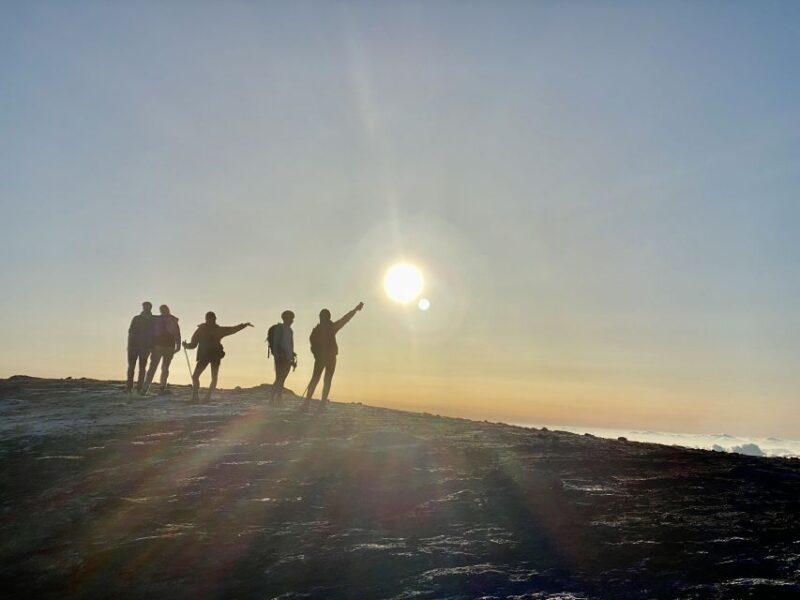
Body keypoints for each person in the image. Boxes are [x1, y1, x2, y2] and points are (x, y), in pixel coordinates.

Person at [301, 302, 364, 412]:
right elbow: (345, 320)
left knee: (318, 379)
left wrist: (354, 310)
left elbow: (345, 319)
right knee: (325, 380)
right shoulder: (329, 328)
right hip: (328, 358)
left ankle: (312, 403)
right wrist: (355, 310)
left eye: (321, 317)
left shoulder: (319, 330)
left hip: (324, 358)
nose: (320, 318)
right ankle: (318, 404)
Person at [182, 311, 253, 403]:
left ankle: (204, 398)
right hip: (208, 356)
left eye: (213, 319)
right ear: (208, 319)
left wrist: (243, 325)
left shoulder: (211, 330)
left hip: (213, 356)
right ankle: (197, 397)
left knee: (211, 377)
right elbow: (193, 345)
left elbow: (232, 330)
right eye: (211, 319)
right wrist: (186, 345)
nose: (212, 320)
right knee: (197, 376)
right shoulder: (204, 330)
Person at [143, 304, 181, 395]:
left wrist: (151, 346)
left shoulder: (158, 320)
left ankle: (146, 388)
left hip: (159, 346)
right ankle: (161, 387)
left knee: (154, 367)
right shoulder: (173, 320)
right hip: (168, 346)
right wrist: (178, 345)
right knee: (164, 367)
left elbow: (152, 333)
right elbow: (177, 333)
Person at [268, 310, 296, 406]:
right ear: (285, 318)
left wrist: (292, 356)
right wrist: (277, 357)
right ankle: (273, 399)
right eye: (290, 318)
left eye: (292, 318)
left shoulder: (290, 330)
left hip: (287, 358)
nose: (292, 320)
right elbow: (276, 344)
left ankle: (276, 399)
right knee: (279, 379)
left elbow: (290, 346)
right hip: (281, 358)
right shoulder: (279, 329)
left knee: (282, 379)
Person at [127, 301, 154, 394]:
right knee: (131, 367)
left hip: (145, 347)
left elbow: (154, 334)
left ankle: (139, 387)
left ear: (150, 308)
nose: (145, 308)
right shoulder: (136, 318)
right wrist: (130, 346)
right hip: (134, 346)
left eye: (147, 306)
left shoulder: (152, 320)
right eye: (144, 306)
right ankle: (129, 387)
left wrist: (151, 346)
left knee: (142, 368)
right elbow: (130, 332)